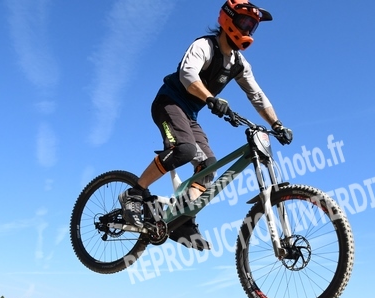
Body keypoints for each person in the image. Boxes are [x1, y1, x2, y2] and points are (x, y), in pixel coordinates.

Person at [119, 0, 293, 251]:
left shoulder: (239, 64)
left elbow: (256, 95)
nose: (247, 30)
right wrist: (211, 98)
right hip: (168, 103)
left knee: (208, 165)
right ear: (228, 19)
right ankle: (134, 192)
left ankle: (182, 220)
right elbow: (187, 75)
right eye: (244, 22)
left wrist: (276, 124)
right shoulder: (204, 46)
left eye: (252, 26)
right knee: (185, 150)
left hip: (189, 115)